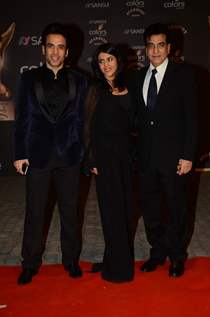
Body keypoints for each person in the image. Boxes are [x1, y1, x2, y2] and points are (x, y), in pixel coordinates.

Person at [13, 23, 87, 285]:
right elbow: (21, 118)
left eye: (61, 47)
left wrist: (81, 151)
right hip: (37, 155)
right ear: (43, 49)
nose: (55, 52)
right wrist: (19, 153)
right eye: (51, 46)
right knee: (35, 212)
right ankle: (29, 263)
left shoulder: (79, 80)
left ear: (67, 52)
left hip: (69, 156)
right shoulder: (28, 78)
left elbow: (81, 120)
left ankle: (71, 260)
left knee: (70, 211)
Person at [130, 23, 198, 277]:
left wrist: (188, 155)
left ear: (169, 48)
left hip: (175, 158)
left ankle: (177, 256)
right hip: (146, 159)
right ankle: (157, 253)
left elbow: (192, 118)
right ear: (145, 48)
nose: (156, 51)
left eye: (161, 45)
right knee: (151, 210)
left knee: (177, 209)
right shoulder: (138, 78)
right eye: (151, 45)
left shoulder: (184, 75)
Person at [84, 43, 134, 283]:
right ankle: (117, 268)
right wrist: (92, 158)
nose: (105, 65)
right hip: (105, 159)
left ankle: (114, 256)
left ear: (119, 61)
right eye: (101, 60)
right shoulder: (95, 88)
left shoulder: (130, 86)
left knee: (127, 211)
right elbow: (87, 126)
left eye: (110, 59)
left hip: (129, 158)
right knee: (111, 211)